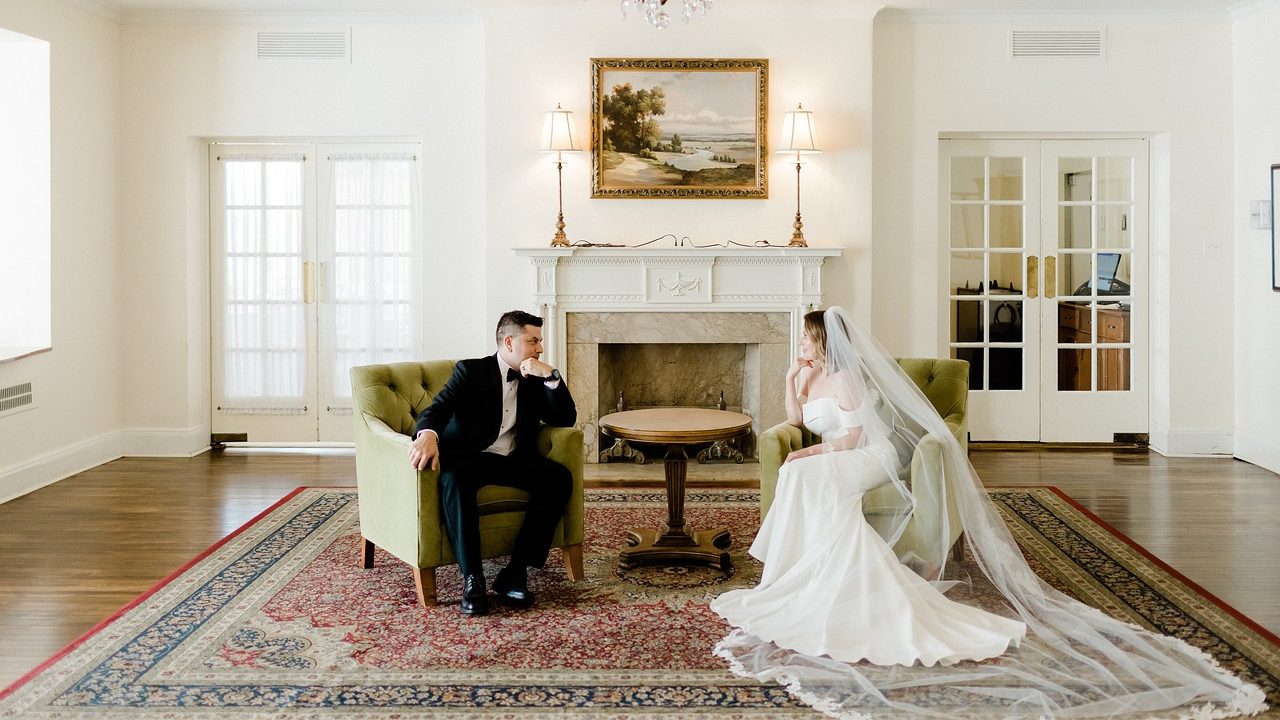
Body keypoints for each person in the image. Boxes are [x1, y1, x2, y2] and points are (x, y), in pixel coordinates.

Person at [711, 307, 1265, 719]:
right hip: (834, 454)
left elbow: (853, 435)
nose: (803, 345)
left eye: (807, 340)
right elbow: (799, 420)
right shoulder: (807, 373)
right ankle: (800, 568)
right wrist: (789, 383)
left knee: (804, 471)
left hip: (865, 457)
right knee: (796, 472)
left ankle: (825, 573)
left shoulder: (850, 375)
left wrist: (815, 451)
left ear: (825, 339)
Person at [408, 310, 576, 617]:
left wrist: (551, 376)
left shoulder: (535, 377)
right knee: (455, 481)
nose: (540, 348)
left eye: (540, 341)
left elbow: (565, 419)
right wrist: (428, 434)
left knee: (559, 478)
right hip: (470, 459)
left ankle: (515, 571)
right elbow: (438, 409)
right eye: (533, 340)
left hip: (513, 458)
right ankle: (473, 579)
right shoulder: (471, 371)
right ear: (509, 342)